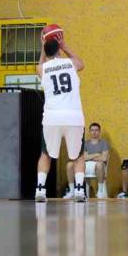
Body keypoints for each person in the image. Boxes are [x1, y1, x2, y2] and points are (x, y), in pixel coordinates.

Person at [35, 37, 87, 203]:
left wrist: (43, 48)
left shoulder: (43, 68)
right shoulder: (71, 63)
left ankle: (40, 189)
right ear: (59, 49)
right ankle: (79, 190)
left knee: (45, 153)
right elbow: (82, 63)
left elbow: (40, 65)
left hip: (52, 117)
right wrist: (65, 46)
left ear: (45, 50)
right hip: (73, 116)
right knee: (78, 156)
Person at [65, 123, 109, 199]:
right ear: (89, 131)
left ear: (99, 131)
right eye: (92, 130)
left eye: (96, 130)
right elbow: (84, 158)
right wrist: (97, 154)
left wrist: (90, 157)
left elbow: (104, 158)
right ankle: (72, 191)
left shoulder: (103, 143)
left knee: (99, 165)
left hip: (98, 167)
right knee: (69, 164)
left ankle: (100, 191)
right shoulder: (85, 143)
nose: (94, 132)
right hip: (85, 166)